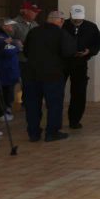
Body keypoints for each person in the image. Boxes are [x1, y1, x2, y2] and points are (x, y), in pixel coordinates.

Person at [23, 11, 76, 142]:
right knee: (54, 104)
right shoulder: (61, 33)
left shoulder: (34, 31)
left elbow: (26, 51)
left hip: (31, 74)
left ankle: (33, 133)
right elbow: (68, 52)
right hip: (52, 74)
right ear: (61, 21)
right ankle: (52, 133)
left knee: (32, 105)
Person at [61, 5, 100, 130]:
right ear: (70, 15)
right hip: (62, 63)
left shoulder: (91, 27)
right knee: (57, 91)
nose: (77, 21)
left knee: (78, 92)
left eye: (79, 19)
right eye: (75, 19)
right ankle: (55, 121)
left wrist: (89, 51)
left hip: (80, 63)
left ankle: (75, 120)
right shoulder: (63, 25)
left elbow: (98, 42)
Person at [0, 20, 21, 121]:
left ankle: (4, 112)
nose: (12, 28)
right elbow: (6, 52)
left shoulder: (3, 36)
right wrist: (17, 47)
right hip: (5, 70)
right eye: (10, 25)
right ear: (4, 26)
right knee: (6, 94)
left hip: (8, 70)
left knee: (8, 93)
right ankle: (1, 114)